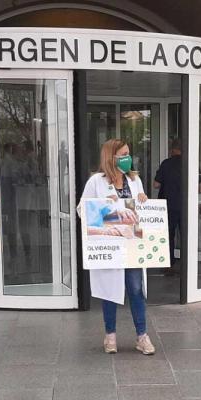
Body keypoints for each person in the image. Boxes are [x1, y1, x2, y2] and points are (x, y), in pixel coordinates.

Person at [80, 139, 155, 355]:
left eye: (128, 154)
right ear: (110, 157)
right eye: (123, 154)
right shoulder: (96, 182)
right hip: (110, 245)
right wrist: (104, 204)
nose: (127, 158)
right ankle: (110, 336)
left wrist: (143, 201)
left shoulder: (134, 180)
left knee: (136, 289)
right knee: (110, 292)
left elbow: (140, 212)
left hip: (132, 245)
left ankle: (142, 336)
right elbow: (81, 210)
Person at [153, 140, 184, 274]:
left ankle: (168, 265)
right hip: (185, 206)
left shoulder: (166, 164)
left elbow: (156, 184)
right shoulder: (190, 162)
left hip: (168, 206)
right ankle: (187, 265)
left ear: (173, 150)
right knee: (186, 236)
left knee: (168, 236)